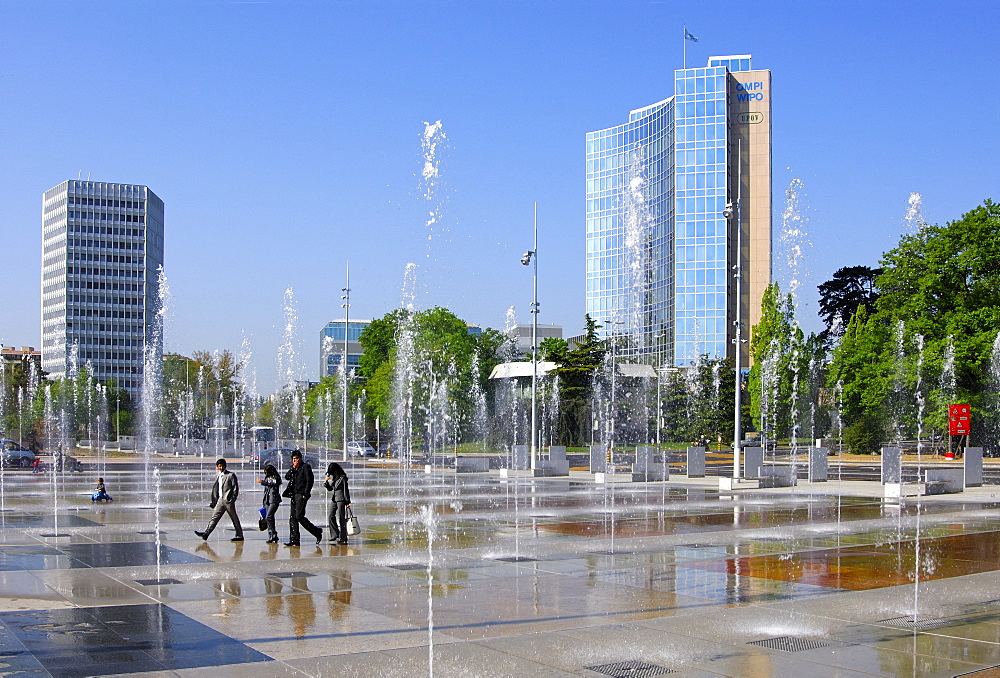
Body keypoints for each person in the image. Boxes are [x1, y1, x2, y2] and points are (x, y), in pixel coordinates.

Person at [195, 458, 244, 542]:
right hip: (221, 500)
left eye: (222, 466)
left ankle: (239, 535)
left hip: (228, 500)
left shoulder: (230, 475)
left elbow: (235, 489)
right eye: (219, 466)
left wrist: (232, 500)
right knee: (215, 517)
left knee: (234, 518)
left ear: (225, 466)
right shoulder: (219, 476)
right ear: (217, 467)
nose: (221, 467)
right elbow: (216, 488)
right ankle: (206, 533)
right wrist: (214, 500)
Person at [283, 450, 322, 547]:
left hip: (301, 495)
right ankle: (294, 539)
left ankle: (316, 532)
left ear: (300, 459)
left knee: (299, 516)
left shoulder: (305, 467)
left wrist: (306, 493)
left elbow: (310, 481)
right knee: (292, 518)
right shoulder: (293, 468)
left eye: (296, 458)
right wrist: (293, 468)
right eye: (293, 459)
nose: (295, 460)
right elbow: (286, 477)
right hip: (293, 494)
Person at [323, 462, 352, 544]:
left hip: (341, 499)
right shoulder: (335, 478)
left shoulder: (342, 478)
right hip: (334, 499)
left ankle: (343, 537)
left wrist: (347, 501)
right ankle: (335, 534)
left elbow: (346, 490)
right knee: (330, 515)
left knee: (341, 518)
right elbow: (330, 489)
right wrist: (326, 483)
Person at [256, 464, 282, 543]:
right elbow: (265, 491)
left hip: (274, 501)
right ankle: (272, 535)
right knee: (270, 518)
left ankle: (273, 534)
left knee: (269, 516)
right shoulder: (267, 478)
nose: (266, 474)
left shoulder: (276, 478)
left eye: (267, 472)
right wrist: (263, 502)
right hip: (267, 501)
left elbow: (272, 483)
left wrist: (262, 482)